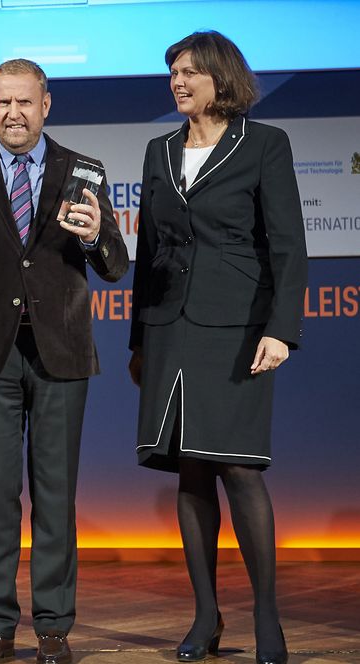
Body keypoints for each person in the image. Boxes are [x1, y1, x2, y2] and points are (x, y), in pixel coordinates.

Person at [0, 59, 129, 664]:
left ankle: (54, 628)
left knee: (55, 495)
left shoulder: (82, 170)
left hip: (62, 354)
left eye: (23, 102)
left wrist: (94, 235)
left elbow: (115, 265)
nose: (12, 114)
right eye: (1, 103)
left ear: (46, 105)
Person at [128, 31, 307, 664]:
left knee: (239, 467)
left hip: (237, 326)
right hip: (168, 327)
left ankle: (266, 617)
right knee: (191, 467)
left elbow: (288, 245)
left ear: (221, 78)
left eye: (189, 72)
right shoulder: (159, 149)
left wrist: (282, 330)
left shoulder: (264, 144)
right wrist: (138, 340)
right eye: (173, 72)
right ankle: (206, 616)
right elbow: (150, 250)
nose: (177, 82)